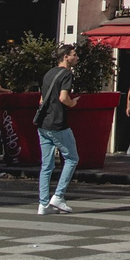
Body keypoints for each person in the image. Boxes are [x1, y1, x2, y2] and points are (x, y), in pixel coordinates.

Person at [36, 45, 82, 215]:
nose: (76, 58)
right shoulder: (67, 74)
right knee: (72, 158)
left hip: (43, 124)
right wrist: (73, 103)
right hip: (58, 123)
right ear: (65, 57)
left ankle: (43, 204)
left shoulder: (49, 74)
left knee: (46, 165)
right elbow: (64, 98)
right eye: (74, 55)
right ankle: (58, 196)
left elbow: (41, 99)